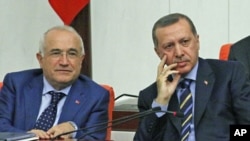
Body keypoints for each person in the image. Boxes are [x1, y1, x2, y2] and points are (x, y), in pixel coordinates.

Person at [133, 13, 250, 141]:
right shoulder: (150, 96)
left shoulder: (229, 74)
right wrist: (161, 102)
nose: (179, 53)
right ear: (158, 52)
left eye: (184, 42)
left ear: (197, 41)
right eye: (169, 46)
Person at [0, 25, 110, 140]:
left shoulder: (96, 96)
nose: (64, 62)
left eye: (72, 54)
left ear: (81, 60)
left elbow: (95, 138)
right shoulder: (17, 84)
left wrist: (73, 131)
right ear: (40, 59)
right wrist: (28, 137)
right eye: (56, 53)